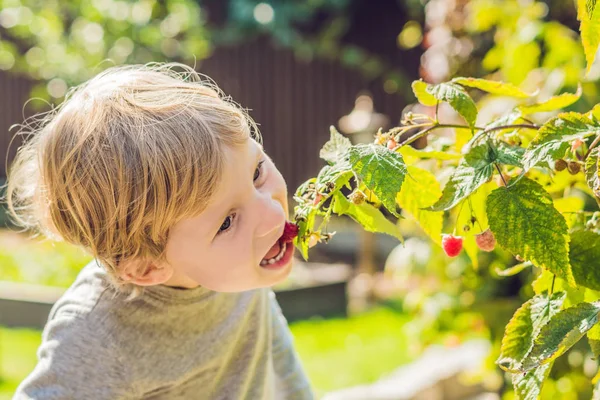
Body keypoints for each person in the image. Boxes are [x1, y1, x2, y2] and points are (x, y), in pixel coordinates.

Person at [5, 62, 314, 400]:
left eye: (256, 172)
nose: (272, 214)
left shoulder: (238, 273)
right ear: (146, 267)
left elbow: (276, 357)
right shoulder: (96, 333)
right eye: (226, 222)